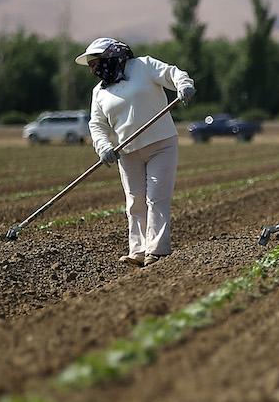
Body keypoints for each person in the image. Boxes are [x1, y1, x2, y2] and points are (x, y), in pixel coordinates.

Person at [78, 37, 195, 266]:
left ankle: (158, 250)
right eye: (91, 65)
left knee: (156, 198)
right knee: (134, 202)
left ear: (112, 56)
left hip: (161, 144)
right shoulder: (99, 92)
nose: (93, 68)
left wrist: (183, 85)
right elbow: (97, 125)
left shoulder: (143, 66)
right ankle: (138, 250)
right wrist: (103, 147)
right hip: (128, 151)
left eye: (96, 61)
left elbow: (172, 73)